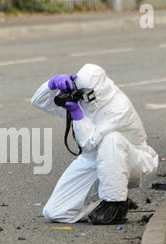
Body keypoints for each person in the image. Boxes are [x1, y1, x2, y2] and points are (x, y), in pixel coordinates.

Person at [31, 64, 159, 225]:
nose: (82, 98)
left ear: (98, 91)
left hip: (131, 159)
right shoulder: (84, 100)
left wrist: (77, 115)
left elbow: (88, 143)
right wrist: (52, 84)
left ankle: (115, 203)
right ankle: (101, 204)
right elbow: (38, 101)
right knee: (55, 212)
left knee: (112, 139)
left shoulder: (119, 107)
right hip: (93, 158)